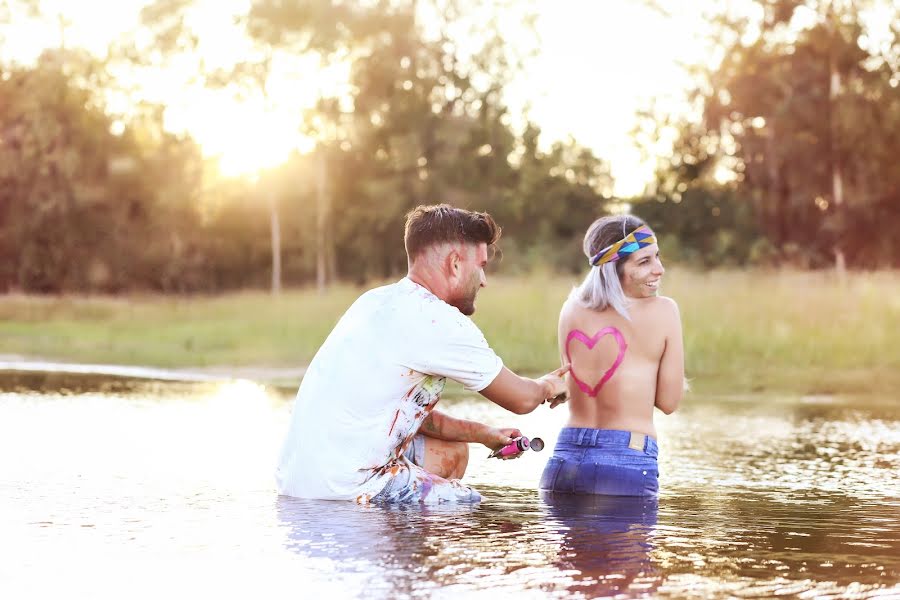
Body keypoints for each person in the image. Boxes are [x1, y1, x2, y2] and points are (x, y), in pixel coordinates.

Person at [276, 204, 569, 504]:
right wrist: (548, 385)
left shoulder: (374, 301)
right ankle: (394, 535)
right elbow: (521, 399)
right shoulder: (439, 321)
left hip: (296, 484)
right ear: (455, 263)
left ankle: (402, 544)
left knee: (453, 453)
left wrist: (483, 433)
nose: (484, 280)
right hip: (344, 488)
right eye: (481, 265)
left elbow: (403, 411)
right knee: (468, 503)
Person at [539, 215, 684, 496]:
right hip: (625, 460)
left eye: (657, 257)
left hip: (564, 460)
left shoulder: (570, 309)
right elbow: (669, 402)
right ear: (612, 268)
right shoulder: (664, 310)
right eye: (644, 262)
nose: (659, 269)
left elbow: (571, 384)